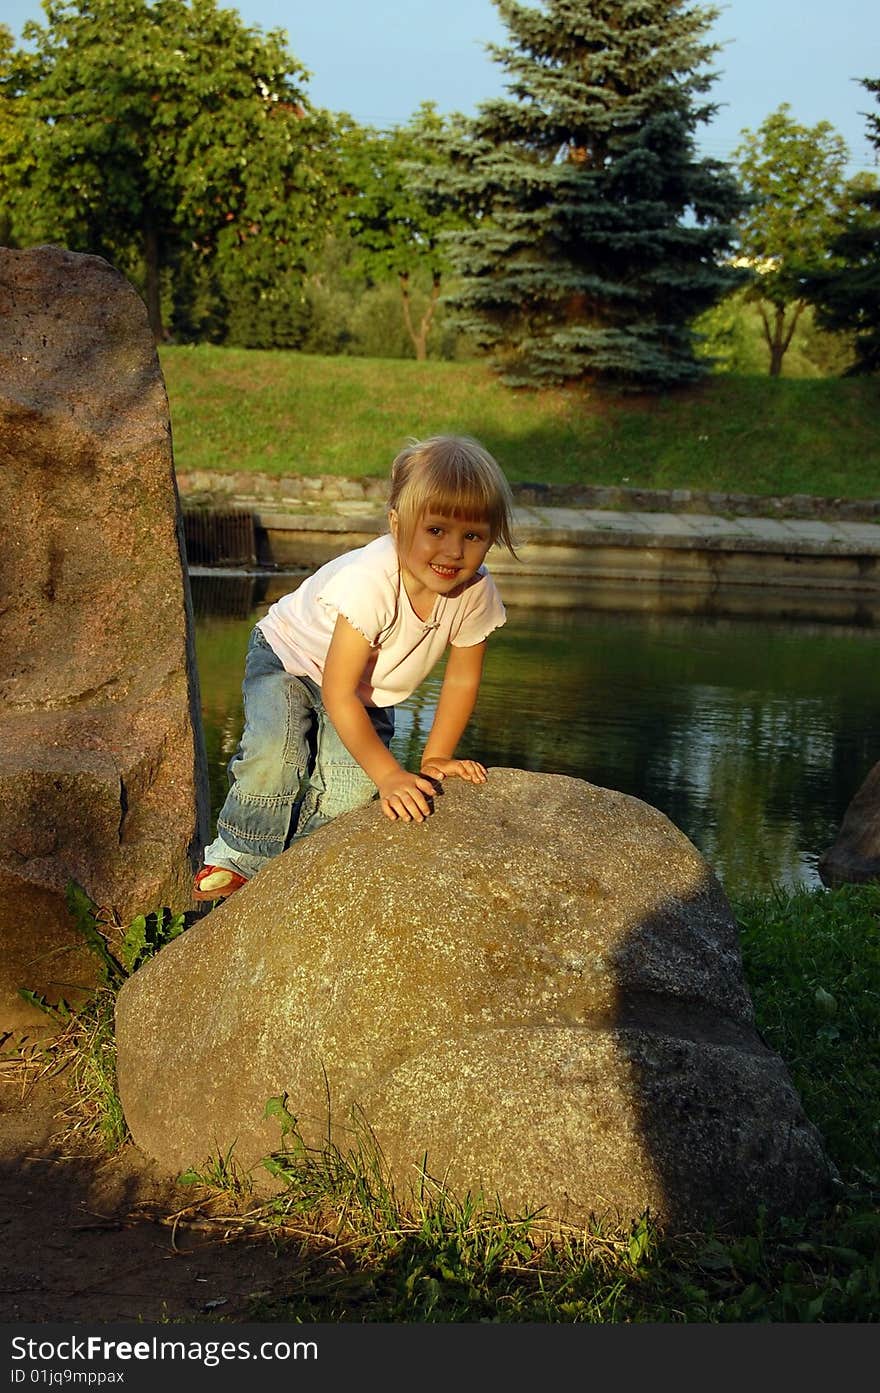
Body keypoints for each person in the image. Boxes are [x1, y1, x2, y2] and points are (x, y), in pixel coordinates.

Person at [193, 434, 517, 900]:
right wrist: (391, 773)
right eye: (436, 530)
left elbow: (462, 677)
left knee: (351, 791)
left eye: (473, 536)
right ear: (397, 523)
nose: (453, 551)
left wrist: (434, 758)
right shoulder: (373, 581)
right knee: (277, 749)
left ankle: (299, 865)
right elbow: (335, 691)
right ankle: (239, 854)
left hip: (361, 689)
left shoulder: (476, 595)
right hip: (290, 656)